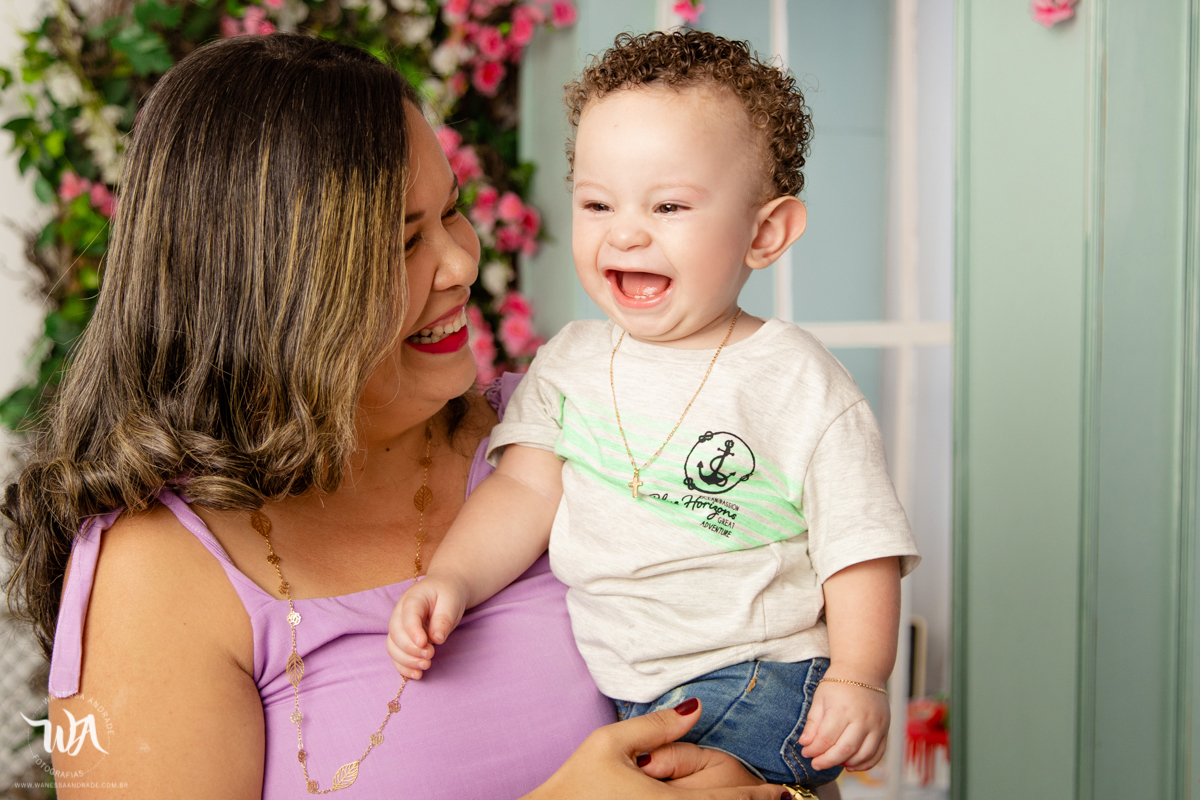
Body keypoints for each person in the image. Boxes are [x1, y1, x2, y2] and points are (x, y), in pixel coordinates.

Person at [1, 33, 792, 800]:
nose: (461, 263)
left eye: (452, 212)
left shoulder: (567, 431)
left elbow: (796, 666)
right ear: (269, 294)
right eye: (404, 242)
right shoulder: (159, 572)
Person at [390, 30, 921, 793]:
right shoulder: (569, 363)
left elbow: (859, 547)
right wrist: (452, 579)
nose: (626, 231)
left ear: (765, 233)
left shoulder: (798, 380)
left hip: (757, 679)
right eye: (597, 203)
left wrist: (860, 677)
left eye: (669, 205)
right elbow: (524, 491)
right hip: (630, 691)